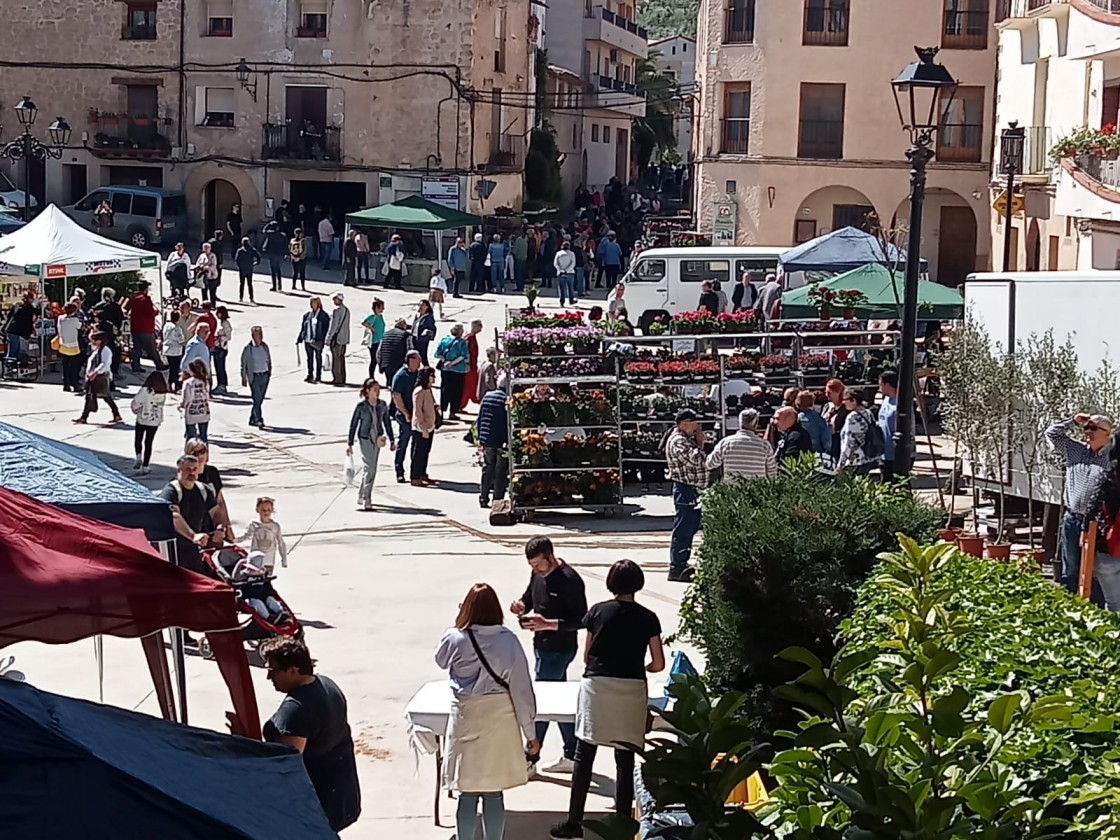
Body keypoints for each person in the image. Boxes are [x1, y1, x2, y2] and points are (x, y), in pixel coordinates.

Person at [549, 560, 665, 840]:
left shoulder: (597, 612)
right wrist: (642, 668)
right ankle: (622, 827)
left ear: (611, 583)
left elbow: (587, 656)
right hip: (631, 688)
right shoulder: (649, 617)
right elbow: (658, 663)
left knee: (584, 756)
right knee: (624, 759)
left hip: (598, 686)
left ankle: (574, 823)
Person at [435, 584, 538, 840]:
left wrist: (459, 622)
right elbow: (522, 691)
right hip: (499, 719)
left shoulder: (455, 637)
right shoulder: (508, 640)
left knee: (466, 792)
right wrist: (530, 734)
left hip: (466, 717)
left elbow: (440, 660)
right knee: (494, 792)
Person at [259, 637, 361, 833]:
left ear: (293, 671)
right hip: (341, 794)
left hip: (315, 805)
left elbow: (287, 764)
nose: (269, 678)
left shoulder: (296, 711)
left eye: (272, 671)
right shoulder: (328, 685)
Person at [510, 536, 586, 773]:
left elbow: (581, 619)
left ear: (551, 558)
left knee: (540, 703)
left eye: (538, 565)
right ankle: (572, 754)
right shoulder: (538, 574)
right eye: (532, 566)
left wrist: (549, 624)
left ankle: (530, 758)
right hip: (541, 646)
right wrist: (522, 605)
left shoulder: (570, 580)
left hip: (560, 649)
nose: (535, 570)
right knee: (558, 700)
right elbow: (531, 596)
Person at [1047, 413, 1114, 598]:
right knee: (1070, 569)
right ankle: (1067, 608)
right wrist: (1074, 421)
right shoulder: (1075, 450)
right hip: (1072, 518)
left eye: (1094, 428)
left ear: (1108, 434)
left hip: (1097, 524)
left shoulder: (1112, 459)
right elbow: (1052, 434)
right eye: (1086, 428)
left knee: (1096, 570)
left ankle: (1095, 612)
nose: (1088, 432)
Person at [159, 453, 227, 577]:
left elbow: (216, 512)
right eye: (188, 469)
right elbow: (174, 516)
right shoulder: (171, 492)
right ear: (178, 471)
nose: (192, 473)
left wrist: (219, 528)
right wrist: (193, 535)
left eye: (194, 469)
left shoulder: (204, 490)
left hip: (195, 550)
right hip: (174, 551)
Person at [664, 409, 709, 583]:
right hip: (686, 490)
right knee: (684, 528)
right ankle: (677, 567)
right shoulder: (678, 441)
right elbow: (697, 460)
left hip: (692, 489)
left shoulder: (684, 440)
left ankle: (682, 563)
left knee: (692, 527)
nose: (697, 426)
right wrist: (700, 444)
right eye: (694, 422)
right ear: (684, 424)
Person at [347, 378, 396, 511]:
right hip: (365, 438)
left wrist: (392, 439)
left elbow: (387, 423)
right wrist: (350, 443)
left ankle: (361, 493)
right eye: (375, 390)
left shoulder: (382, 405)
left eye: (378, 390)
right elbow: (354, 424)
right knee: (370, 468)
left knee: (370, 467)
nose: (377, 392)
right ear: (367, 391)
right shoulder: (361, 407)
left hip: (377, 438)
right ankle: (367, 497)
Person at [706, 408, 777, 480]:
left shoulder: (725, 443)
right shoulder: (765, 445)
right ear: (756, 424)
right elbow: (772, 473)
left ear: (739, 423)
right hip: (757, 489)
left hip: (732, 489)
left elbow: (710, 464)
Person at [73, 332, 122, 425]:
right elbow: (90, 362)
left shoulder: (105, 350)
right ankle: (84, 417)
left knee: (105, 396)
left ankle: (116, 414)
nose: (92, 342)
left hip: (101, 377)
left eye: (94, 340)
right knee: (90, 396)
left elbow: (104, 364)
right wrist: (88, 372)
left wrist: (95, 372)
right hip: (92, 377)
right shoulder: (96, 350)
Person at [185, 437, 231, 527]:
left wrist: (227, 526)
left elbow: (220, 501)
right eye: (195, 453)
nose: (200, 456)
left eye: (203, 451)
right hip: (195, 525)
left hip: (213, 523)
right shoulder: (186, 475)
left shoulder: (212, 472)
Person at [477, 381, 509, 507]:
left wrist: (481, 436)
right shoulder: (506, 400)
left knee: (488, 468)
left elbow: (480, 417)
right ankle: (497, 499)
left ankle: (483, 497)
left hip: (487, 438)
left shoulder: (487, 396)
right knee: (500, 470)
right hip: (501, 439)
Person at [391, 351, 422, 483]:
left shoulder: (418, 374)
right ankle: (399, 471)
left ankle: (416, 473)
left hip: (417, 415)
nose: (420, 362)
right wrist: (406, 413)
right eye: (417, 360)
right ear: (410, 360)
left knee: (416, 444)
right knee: (403, 442)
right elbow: (396, 397)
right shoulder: (401, 376)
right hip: (404, 415)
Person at [130, 371, 169, 473]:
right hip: (155, 420)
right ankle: (146, 465)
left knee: (138, 439)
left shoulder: (145, 390)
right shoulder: (163, 393)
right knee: (149, 442)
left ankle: (138, 457)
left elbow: (137, 401)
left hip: (143, 418)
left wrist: (135, 408)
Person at [239, 496, 289, 572]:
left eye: (268, 510)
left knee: (267, 578)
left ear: (272, 510)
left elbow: (281, 543)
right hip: (255, 559)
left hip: (269, 560)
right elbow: (246, 536)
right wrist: (233, 540)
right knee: (255, 578)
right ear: (257, 510)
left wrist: (284, 559)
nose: (266, 512)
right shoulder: (254, 524)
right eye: (263, 510)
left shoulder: (275, 526)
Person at [125, 281, 163, 374]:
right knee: (151, 348)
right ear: (146, 289)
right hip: (145, 327)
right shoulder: (145, 299)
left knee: (136, 347)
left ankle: (136, 366)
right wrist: (156, 313)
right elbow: (150, 312)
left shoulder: (133, 298)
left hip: (135, 327)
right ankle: (159, 365)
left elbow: (127, 308)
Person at [836, 390, 877, 476]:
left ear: (853, 400)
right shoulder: (868, 413)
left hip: (854, 461)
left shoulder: (852, 417)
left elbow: (848, 443)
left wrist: (840, 465)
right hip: (868, 458)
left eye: (845, 399)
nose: (843, 402)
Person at [435, 323, 469, 422]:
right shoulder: (462, 342)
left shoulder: (444, 340)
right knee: (456, 391)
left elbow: (438, 354)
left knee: (445, 390)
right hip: (458, 370)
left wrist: (445, 362)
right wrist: (452, 363)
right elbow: (463, 355)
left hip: (445, 369)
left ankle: (442, 411)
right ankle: (453, 412)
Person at [410, 366, 438, 486]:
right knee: (419, 453)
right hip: (421, 428)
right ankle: (415, 477)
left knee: (426, 451)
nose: (434, 378)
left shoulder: (428, 389)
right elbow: (418, 411)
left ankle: (423, 473)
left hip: (430, 425)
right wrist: (423, 428)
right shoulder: (419, 391)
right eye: (432, 375)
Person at [241, 325, 272, 428]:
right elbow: (243, 364)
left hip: (264, 375)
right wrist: (244, 377)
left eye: (261, 334)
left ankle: (252, 418)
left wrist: (269, 372)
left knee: (259, 399)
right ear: (253, 335)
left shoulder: (265, 347)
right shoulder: (248, 349)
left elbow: (269, 360)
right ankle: (259, 419)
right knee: (257, 398)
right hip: (254, 377)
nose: (261, 336)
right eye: (258, 334)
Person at [91, 287, 124, 380]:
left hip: (100, 333)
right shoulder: (115, 307)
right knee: (115, 352)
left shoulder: (98, 306)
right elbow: (120, 319)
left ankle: (100, 370)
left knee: (100, 352)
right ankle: (114, 371)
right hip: (112, 333)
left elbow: (93, 319)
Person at [298, 297, 330, 383]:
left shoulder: (324, 316)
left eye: (315, 303)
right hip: (308, 340)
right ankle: (310, 374)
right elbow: (303, 327)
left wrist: (324, 338)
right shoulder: (307, 315)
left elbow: (326, 328)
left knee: (318, 357)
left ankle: (318, 375)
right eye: (312, 303)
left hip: (318, 340)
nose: (313, 305)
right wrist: (300, 337)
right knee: (309, 358)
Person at [56, 302, 85, 393]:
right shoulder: (75, 320)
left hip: (63, 344)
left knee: (65, 366)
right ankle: (75, 384)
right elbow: (81, 327)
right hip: (73, 346)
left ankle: (66, 384)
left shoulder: (60, 318)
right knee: (74, 367)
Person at [179, 359, 211, 441]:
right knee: (203, 437)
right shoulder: (205, 382)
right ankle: (204, 452)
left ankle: (190, 453)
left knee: (190, 436)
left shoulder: (188, 383)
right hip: (203, 411)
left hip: (191, 412)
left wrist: (181, 405)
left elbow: (187, 398)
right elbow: (207, 396)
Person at [878, 370, 900, 483]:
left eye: (880, 384)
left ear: (887, 385)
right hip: (883, 452)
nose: (879, 388)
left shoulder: (900, 404)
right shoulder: (885, 400)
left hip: (896, 454)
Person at [325, 292, 351, 387]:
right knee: (341, 358)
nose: (333, 301)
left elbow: (333, 326)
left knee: (336, 359)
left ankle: (337, 378)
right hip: (344, 339)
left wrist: (328, 337)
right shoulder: (347, 310)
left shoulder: (336, 311)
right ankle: (343, 377)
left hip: (337, 339)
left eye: (334, 299)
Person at [459, 319, 484, 413]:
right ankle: (461, 404)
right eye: (480, 325)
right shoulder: (470, 337)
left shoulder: (469, 336)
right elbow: (467, 353)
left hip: (472, 365)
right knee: (469, 385)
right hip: (470, 366)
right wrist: (468, 364)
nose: (481, 328)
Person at [796, 391, 831, 456]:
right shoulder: (819, 419)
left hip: (802, 453)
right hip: (818, 453)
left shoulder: (797, 419)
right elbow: (826, 440)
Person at [378, 316, 411, 384]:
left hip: (386, 364)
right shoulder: (406, 335)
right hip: (399, 364)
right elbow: (409, 349)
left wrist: (380, 365)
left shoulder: (385, 334)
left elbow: (379, 351)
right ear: (404, 326)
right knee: (398, 384)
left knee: (390, 383)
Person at [822, 378, 849, 463]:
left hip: (838, 444)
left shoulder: (846, 408)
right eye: (826, 392)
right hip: (826, 444)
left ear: (838, 392)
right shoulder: (826, 406)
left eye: (829, 392)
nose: (826, 395)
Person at [359, 298, 386, 381]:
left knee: (379, 358)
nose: (383, 309)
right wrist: (371, 328)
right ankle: (371, 376)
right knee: (374, 359)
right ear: (377, 308)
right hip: (374, 341)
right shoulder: (373, 316)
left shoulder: (380, 316)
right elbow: (364, 322)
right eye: (381, 307)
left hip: (380, 340)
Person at [211, 306, 232, 395]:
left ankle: (223, 385)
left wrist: (220, 337)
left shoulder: (226, 324)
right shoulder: (221, 323)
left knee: (221, 367)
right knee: (217, 366)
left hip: (222, 348)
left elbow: (228, 336)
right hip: (217, 347)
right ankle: (219, 383)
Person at [261, 222, 288, 292]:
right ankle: (280, 285)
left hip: (272, 254)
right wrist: (286, 253)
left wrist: (268, 224)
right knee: (278, 270)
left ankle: (274, 286)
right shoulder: (283, 235)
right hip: (280, 254)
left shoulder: (270, 234)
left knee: (273, 271)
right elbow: (286, 245)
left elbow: (263, 231)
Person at [234, 236, 260, 303]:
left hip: (242, 269)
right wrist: (256, 263)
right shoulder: (252, 249)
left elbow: (236, 260)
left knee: (242, 284)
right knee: (250, 284)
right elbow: (258, 256)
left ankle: (241, 297)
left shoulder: (240, 250)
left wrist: (239, 266)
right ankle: (251, 298)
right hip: (249, 268)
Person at [411, 299, 437, 365]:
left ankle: (427, 370)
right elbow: (415, 326)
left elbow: (432, 329)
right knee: (413, 356)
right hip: (414, 338)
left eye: (423, 305)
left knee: (422, 357)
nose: (421, 307)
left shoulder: (428, 318)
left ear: (427, 307)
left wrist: (427, 331)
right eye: (419, 305)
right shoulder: (417, 316)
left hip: (422, 340)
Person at [195, 242, 219, 307]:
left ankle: (213, 305)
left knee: (212, 291)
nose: (206, 249)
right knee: (204, 290)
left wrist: (206, 267)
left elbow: (213, 265)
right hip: (203, 276)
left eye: (207, 248)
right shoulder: (201, 255)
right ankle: (205, 303)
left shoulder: (213, 256)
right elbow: (198, 263)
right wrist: (198, 267)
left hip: (211, 276)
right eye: (204, 248)